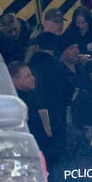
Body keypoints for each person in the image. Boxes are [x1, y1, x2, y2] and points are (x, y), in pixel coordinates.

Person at [27, 32, 72, 164]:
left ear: (37, 46)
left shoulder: (29, 66)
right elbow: (68, 94)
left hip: (34, 118)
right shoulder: (59, 67)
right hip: (57, 118)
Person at [9, 61, 50, 155]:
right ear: (15, 80)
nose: (33, 78)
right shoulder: (16, 103)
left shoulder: (27, 97)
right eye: (28, 76)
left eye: (31, 75)